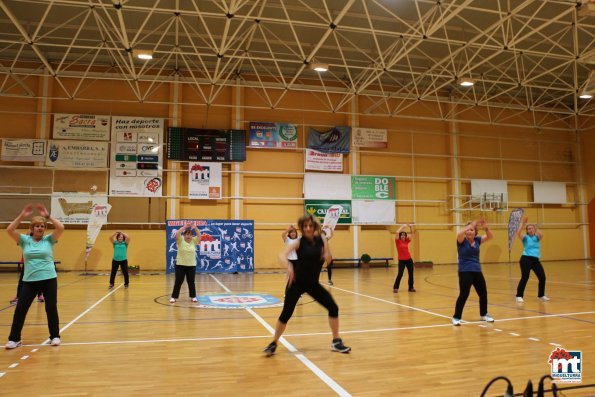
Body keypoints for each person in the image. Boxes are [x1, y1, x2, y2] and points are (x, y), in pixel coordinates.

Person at [263, 214, 350, 356]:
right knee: (286, 314)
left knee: (333, 307)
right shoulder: (298, 242)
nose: (308, 228)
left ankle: (336, 341)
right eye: (305, 226)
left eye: (310, 225)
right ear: (302, 228)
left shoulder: (322, 240)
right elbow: (282, 255)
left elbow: (328, 258)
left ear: (314, 226)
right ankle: (273, 342)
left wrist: (327, 256)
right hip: (297, 283)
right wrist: (289, 267)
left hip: (312, 284)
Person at [5, 203, 64, 349]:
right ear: (32, 228)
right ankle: (14, 339)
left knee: (51, 307)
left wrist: (48, 216)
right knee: (20, 309)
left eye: (42, 226)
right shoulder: (24, 241)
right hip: (30, 280)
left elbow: (61, 227)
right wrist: (21, 216)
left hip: (49, 279)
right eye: (37, 226)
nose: (40, 228)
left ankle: (55, 336)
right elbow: (10, 229)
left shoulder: (49, 239)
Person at [452, 219, 494, 326]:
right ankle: (456, 317)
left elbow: (490, 236)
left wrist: (486, 227)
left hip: (477, 270)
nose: (469, 232)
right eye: (468, 230)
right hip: (465, 271)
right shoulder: (461, 241)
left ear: (475, 232)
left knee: (483, 293)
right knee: (464, 294)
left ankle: (484, 314)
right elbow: (459, 233)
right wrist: (470, 225)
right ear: (465, 232)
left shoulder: (478, 240)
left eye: (472, 230)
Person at [515, 217, 549, 303]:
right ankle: (519, 296)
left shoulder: (537, 237)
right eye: (528, 229)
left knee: (542, 277)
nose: (530, 230)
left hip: (535, 260)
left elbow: (541, 235)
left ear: (534, 229)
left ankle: (541, 295)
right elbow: (518, 233)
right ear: (527, 230)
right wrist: (523, 224)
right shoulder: (525, 238)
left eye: (531, 228)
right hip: (526, 259)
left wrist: (535, 228)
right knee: (525, 277)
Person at [170, 222, 201, 304]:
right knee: (178, 281)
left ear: (192, 236)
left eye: (190, 235)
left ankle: (193, 296)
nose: (188, 236)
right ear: (184, 236)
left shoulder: (194, 241)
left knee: (191, 282)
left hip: (191, 266)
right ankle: (174, 297)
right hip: (180, 265)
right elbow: (177, 234)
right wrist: (184, 227)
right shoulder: (180, 241)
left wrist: (195, 228)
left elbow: (199, 236)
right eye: (187, 235)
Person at [393, 223, 416, 293]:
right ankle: (396, 287)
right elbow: (397, 232)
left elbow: (412, 234)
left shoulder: (407, 241)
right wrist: (402, 227)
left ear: (405, 236)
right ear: (400, 236)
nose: (403, 236)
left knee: (411, 273)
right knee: (400, 273)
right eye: (402, 235)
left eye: (404, 235)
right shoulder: (398, 241)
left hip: (409, 259)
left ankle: (411, 287)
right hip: (401, 260)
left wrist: (411, 227)